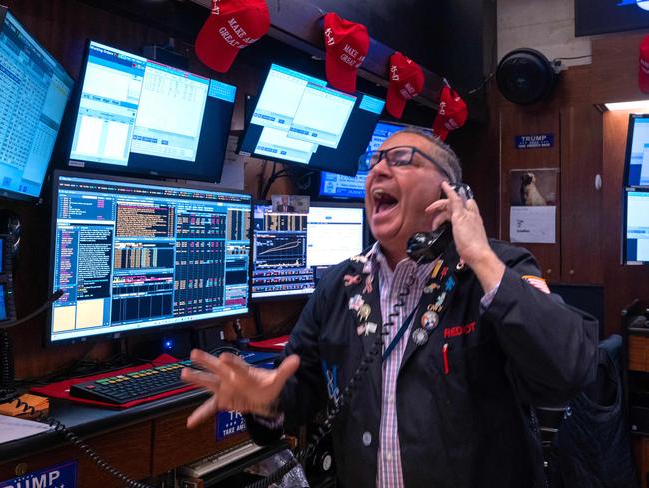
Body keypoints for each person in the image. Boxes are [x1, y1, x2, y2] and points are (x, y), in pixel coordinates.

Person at [181, 129, 599, 488]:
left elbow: (569, 369)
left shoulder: (497, 270)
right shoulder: (339, 287)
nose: (378, 170)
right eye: (374, 161)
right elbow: (299, 389)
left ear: (448, 191)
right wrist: (265, 400)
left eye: (400, 159)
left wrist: (481, 256)